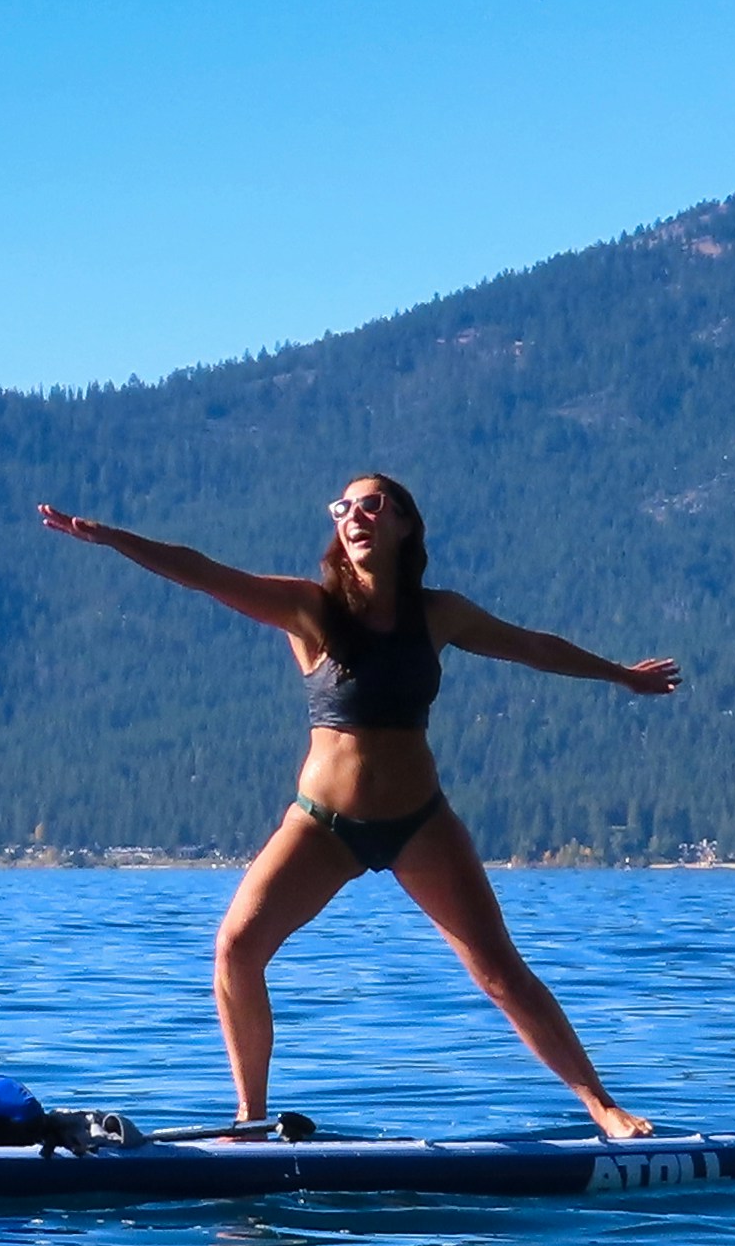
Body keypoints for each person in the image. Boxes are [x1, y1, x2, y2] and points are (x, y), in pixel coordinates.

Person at [38, 473, 681, 1140]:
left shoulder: (439, 614)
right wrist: (111, 538)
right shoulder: (310, 609)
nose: (355, 514)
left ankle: (601, 1107)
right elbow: (203, 572)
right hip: (324, 826)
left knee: (499, 971)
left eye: (372, 504)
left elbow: (531, 646)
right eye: (343, 507)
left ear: (404, 523)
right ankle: (248, 1118)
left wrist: (620, 675)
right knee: (235, 948)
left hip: (419, 824)